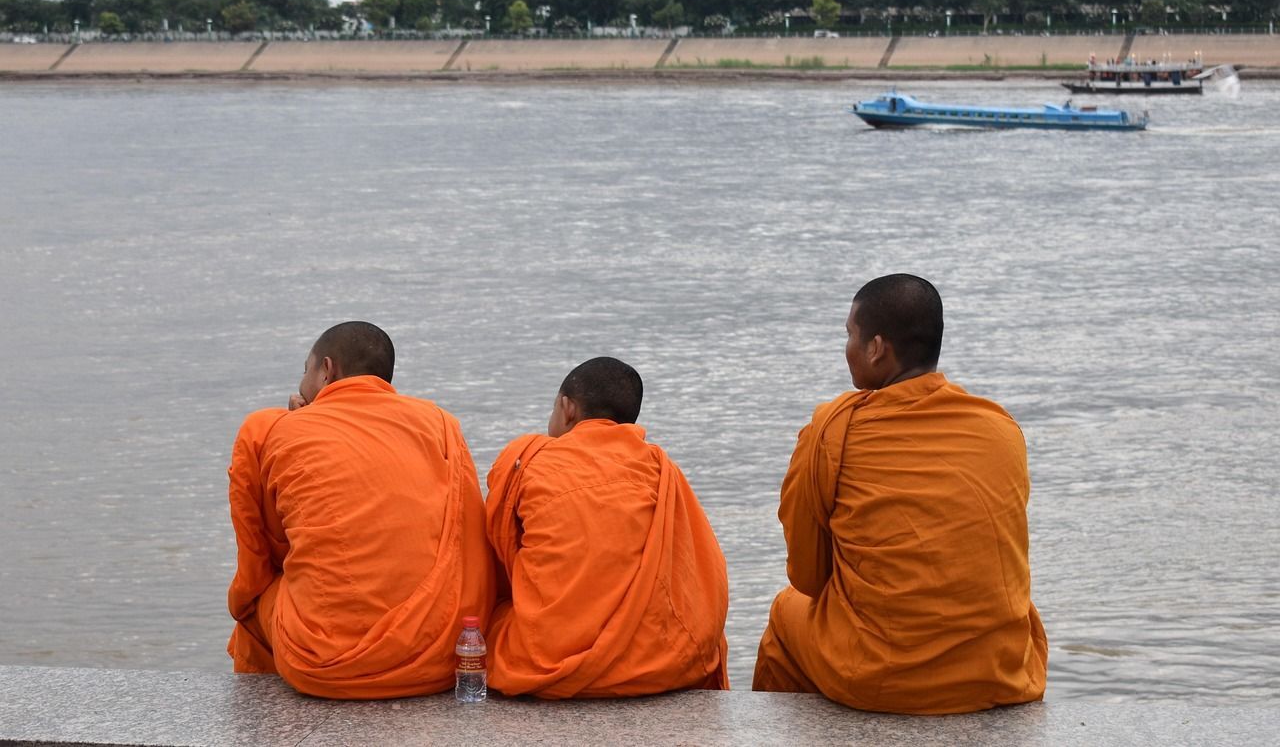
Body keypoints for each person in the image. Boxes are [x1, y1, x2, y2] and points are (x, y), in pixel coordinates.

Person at [752, 275, 1048, 714]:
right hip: (1000, 671)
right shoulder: (1000, 427)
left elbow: (809, 577)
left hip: (884, 676)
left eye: (849, 335)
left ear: (876, 348)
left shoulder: (835, 429)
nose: (846, 348)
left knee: (786, 612)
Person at [226, 321, 495, 699]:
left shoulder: (268, 431)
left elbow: (263, 554)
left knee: (253, 608)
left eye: (306, 371)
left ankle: (256, 711)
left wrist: (291, 428)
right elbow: (470, 536)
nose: (302, 382)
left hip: (324, 665)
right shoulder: (440, 424)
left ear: (327, 370)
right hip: (441, 659)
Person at [485, 356, 730, 698]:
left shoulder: (530, 461)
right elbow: (701, 572)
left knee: (484, 621)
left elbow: (501, 553)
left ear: (567, 408)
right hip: (663, 663)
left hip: (545, 660)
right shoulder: (661, 469)